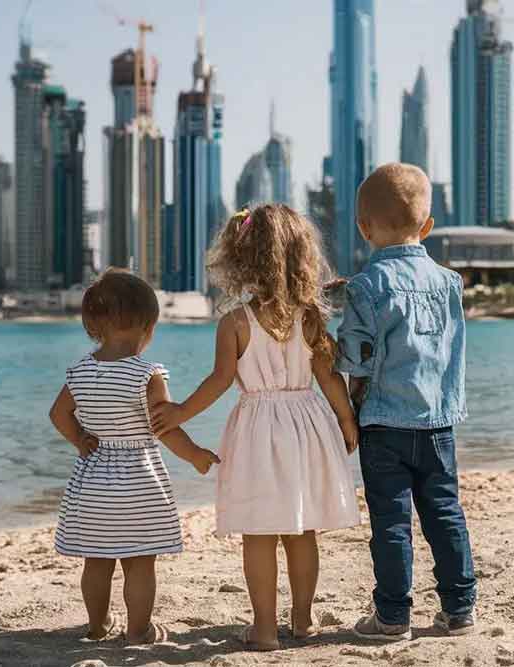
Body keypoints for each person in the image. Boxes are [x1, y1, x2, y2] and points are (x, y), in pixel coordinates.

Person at [151, 204, 361, 651]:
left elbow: (220, 380)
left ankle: (265, 629)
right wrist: (347, 422)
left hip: (258, 431)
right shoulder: (310, 318)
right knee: (302, 530)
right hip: (307, 426)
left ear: (240, 260)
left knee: (259, 533)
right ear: (302, 257)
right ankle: (303, 621)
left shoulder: (234, 323)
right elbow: (329, 378)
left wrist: (181, 413)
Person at [337, 163, 477, 641]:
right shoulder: (449, 283)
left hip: (383, 423)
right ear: (428, 225)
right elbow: (452, 350)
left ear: (363, 227)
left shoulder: (365, 286)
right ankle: (460, 609)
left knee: (391, 521)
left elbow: (354, 356)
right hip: (438, 422)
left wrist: (349, 393)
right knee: (445, 513)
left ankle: (393, 617)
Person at [49, 269, 220, 645]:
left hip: (92, 481)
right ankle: (138, 629)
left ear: (96, 325)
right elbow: (165, 427)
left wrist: (80, 439)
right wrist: (195, 455)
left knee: (96, 561)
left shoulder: (79, 373)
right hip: (138, 483)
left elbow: (58, 414)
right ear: (148, 326)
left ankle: (96, 626)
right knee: (140, 561)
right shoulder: (147, 375)